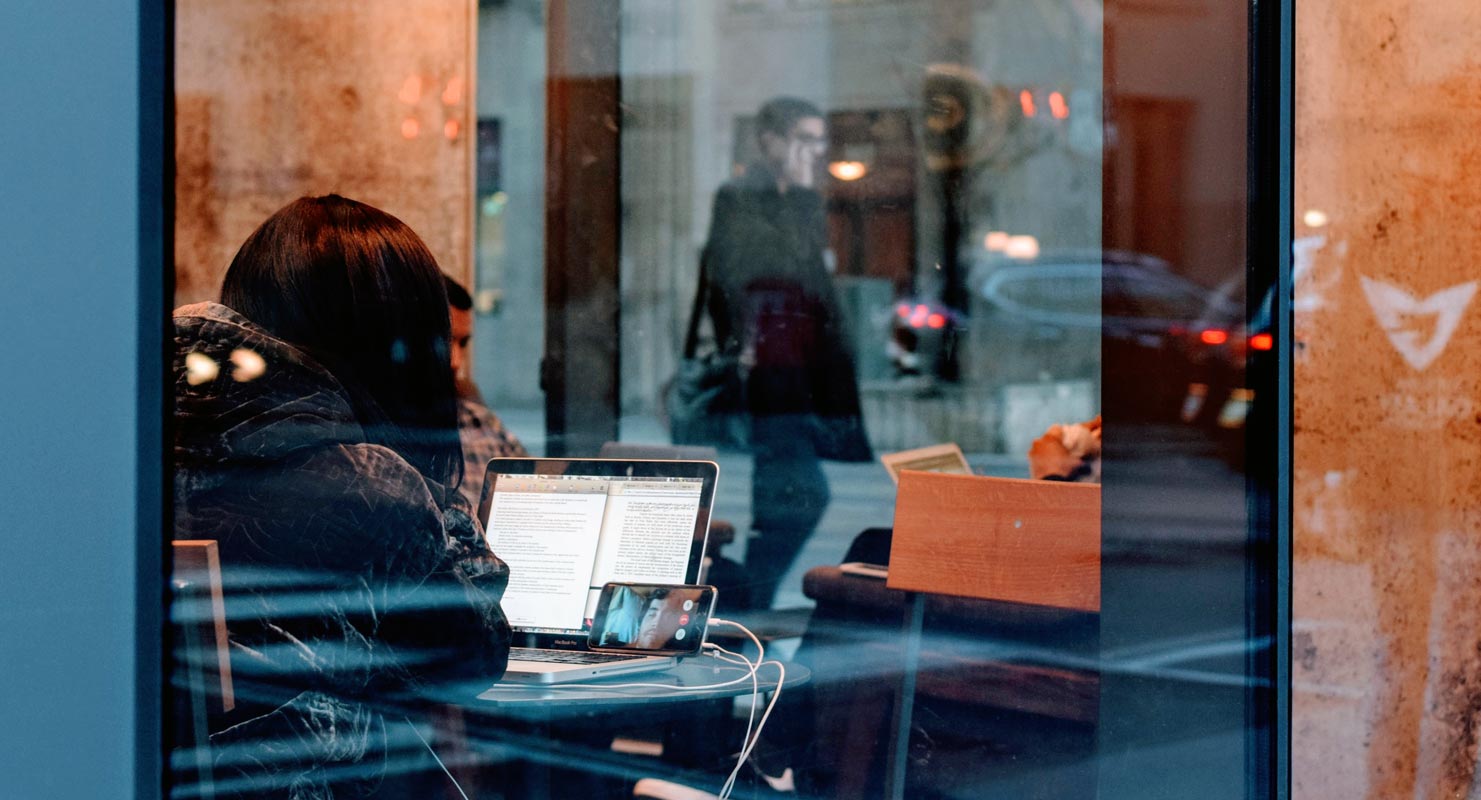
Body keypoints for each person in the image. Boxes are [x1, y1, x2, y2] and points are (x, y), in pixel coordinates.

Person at [172, 195, 512, 798]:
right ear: (395, 345)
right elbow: (471, 659)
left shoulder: (140, 439)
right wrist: (423, 473)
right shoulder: (367, 485)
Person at [701, 97, 872, 608]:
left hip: (802, 370)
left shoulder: (804, 202)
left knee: (781, 499)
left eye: (818, 142)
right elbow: (741, 274)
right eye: (803, 139)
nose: (812, 153)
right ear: (769, 141)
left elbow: (813, 284)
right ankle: (746, 602)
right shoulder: (737, 198)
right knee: (801, 494)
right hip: (764, 372)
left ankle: (749, 604)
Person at [443, 274, 529, 508]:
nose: (456, 361)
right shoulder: (384, 435)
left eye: (463, 343)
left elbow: (538, 485)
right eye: (444, 341)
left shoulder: (479, 419)